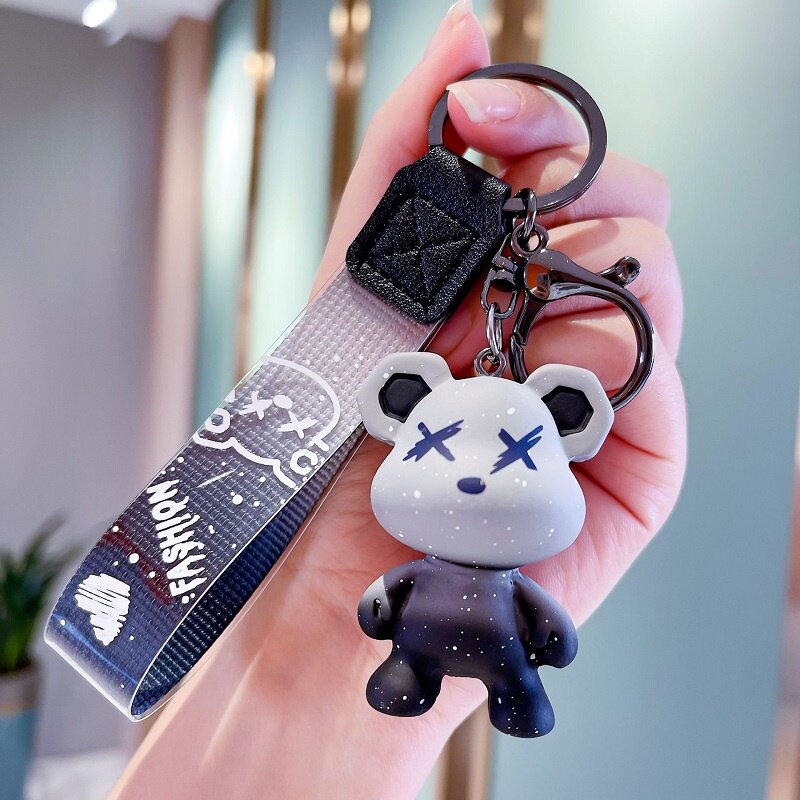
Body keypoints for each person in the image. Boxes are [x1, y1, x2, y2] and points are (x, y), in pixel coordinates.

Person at [111, 3, 686, 797]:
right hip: (398, 642)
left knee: (516, 680)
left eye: (514, 458)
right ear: (396, 401)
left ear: (573, 417)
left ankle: (513, 691)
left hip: (472, 651)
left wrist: (328, 664)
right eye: (442, 450)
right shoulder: (412, 462)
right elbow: (406, 606)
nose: (475, 477)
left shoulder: (505, 556)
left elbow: (543, 626)